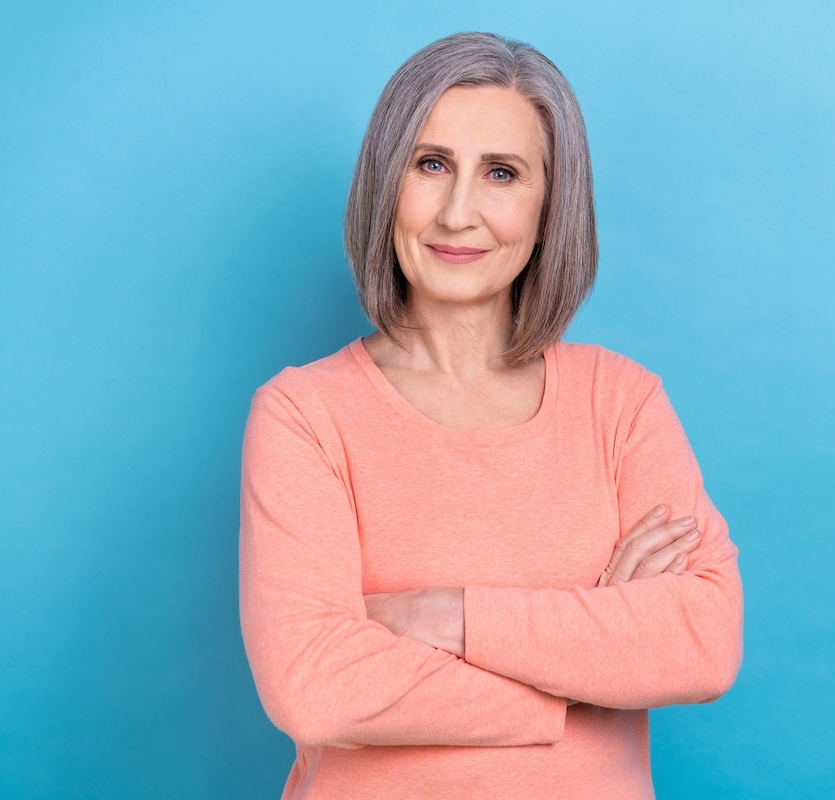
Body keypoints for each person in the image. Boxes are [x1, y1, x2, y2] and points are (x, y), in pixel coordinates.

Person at [239, 32, 743, 800]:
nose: (458, 211)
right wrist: (585, 665)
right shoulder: (305, 415)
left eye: (501, 173)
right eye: (431, 164)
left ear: (549, 208)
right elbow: (313, 687)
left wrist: (443, 616)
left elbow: (703, 642)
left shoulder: (622, 402)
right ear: (387, 184)